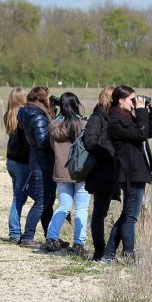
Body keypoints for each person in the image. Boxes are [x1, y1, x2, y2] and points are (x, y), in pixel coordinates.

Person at [101, 86, 152, 263]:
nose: (134, 103)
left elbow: (150, 132)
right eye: (132, 100)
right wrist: (139, 112)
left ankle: (108, 254)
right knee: (131, 217)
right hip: (129, 173)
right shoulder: (115, 121)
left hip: (137, 171)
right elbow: (140, 134)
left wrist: (146, 110)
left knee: (127, 215)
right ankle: (129, 255)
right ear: (121, 100)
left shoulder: (128, 117)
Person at [44, 92, 90, 257]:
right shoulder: (84, 124)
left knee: (63, 206)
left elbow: (51, 146)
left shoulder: (53, 126)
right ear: (76, 104)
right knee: (82, 208)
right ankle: (79, 243)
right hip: (81, 170)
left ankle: (51, 238)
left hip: (61, 170)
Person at [16, 86, 57, 249]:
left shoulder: (29, 111)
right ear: (42, 99)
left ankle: (51, 236)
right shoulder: (38, 115)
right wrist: (57, 139)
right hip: (42, 161)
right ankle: (28, 236)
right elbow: (42, 141)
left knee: (48, 201)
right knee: (41, 201)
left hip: (39, 160)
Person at [83, 86, 121, 261]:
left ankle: (104, 250)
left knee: (102, 211)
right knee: (99, 212)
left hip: (111, 171)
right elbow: (90, 142)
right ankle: (100, 250)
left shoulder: (112, 118)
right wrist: (108, 156)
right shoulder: (97, 118)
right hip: (101, 171)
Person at [3, 87, 30, 243]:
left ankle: (15, 230)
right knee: (19, 198)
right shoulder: (23, 115)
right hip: (21, 162)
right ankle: (14, 232)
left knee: (17, 195)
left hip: (11, 160)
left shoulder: (9, 114)